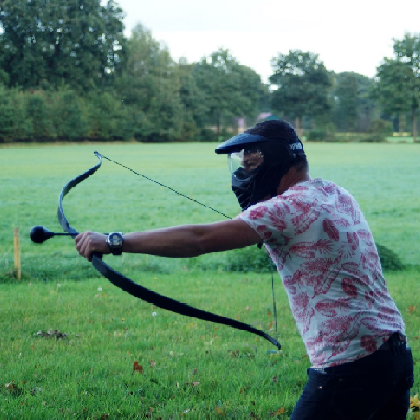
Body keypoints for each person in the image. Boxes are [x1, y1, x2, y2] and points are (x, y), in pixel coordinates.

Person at [75, 119, 414, 419]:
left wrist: (114, 241)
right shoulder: (334, 193)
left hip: (350, 366)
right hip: (396, 356)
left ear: (277, 161)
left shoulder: (285, 208)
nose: (244, 174)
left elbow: (198, 239)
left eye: (251, 164)